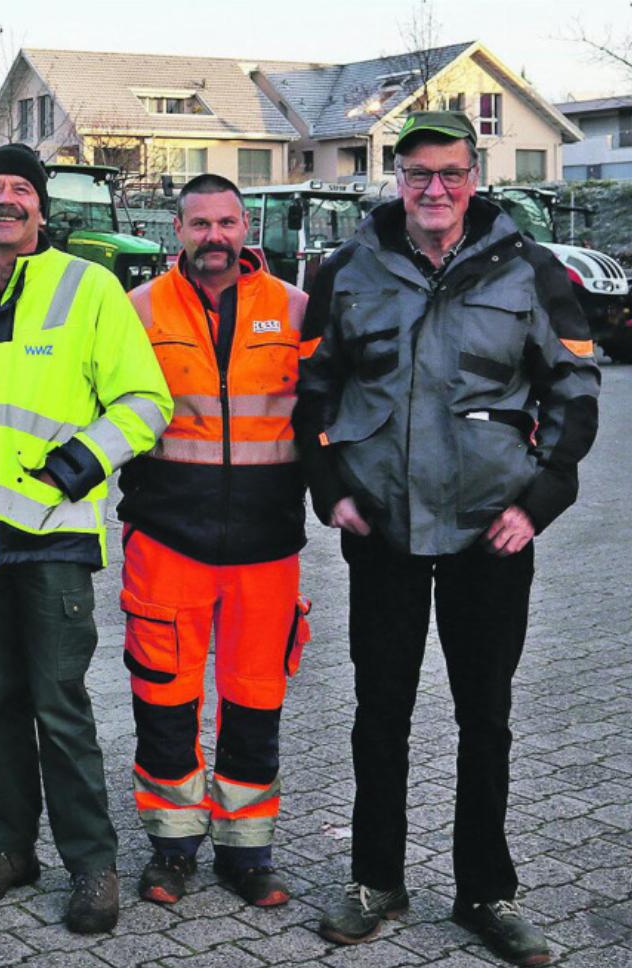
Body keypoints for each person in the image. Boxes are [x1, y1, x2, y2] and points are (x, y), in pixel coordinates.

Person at [297, 112, 598, 966]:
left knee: (486, 718)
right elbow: (312, 390)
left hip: (489, 534)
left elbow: (575, 389)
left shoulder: (532, 269)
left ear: (477, 177)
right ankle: (376, 880)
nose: (435, 189)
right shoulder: (345, 270)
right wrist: (332, 493)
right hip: (383, 528)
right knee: (379, 714)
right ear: (396, 177)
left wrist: (538, 500)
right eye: (419, 173)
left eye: (452, 174)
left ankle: (486, 893)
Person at [0, 144, 171, 935]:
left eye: (22, 189)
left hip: (51, 535)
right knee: (0, 704)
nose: (7, 200)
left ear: (41, 210)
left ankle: (92, 865)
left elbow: (147, 401)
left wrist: (79, 464)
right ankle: (11, 849)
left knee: (60, 706)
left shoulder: (90, 288)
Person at [119, 173, 309, 909]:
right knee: (164, 697)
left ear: (245, 228)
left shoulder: (295, 308)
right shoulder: (136, 311)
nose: (214, 238)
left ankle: (247, 853)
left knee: (256, 697)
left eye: (226, 222)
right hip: (168, 539)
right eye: (199, 225)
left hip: (267, 545)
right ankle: (171, 849)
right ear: (178, 232)